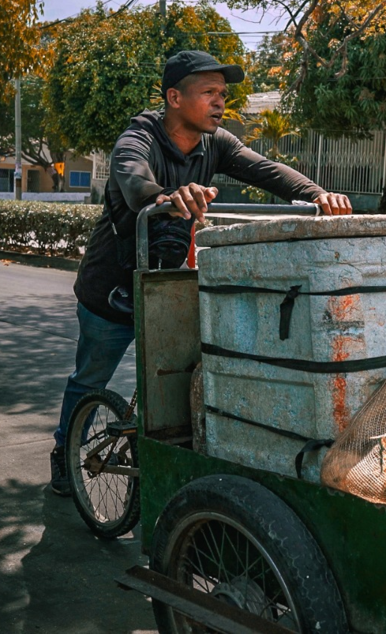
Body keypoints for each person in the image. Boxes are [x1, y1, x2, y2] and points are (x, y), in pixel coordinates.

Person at [49, 50, 352, 495]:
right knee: (90, 380)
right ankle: (64, 454)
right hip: (110, 288)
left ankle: (160, 462)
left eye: (222, 94)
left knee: (175, 384)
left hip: (168, 287)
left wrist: (320, 194)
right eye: (208, 93)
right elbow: (134, 183)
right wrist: (167, 196)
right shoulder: (139, 137)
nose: (219, 103)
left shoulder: (217, 144)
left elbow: (267, 171)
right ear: (174, 97)